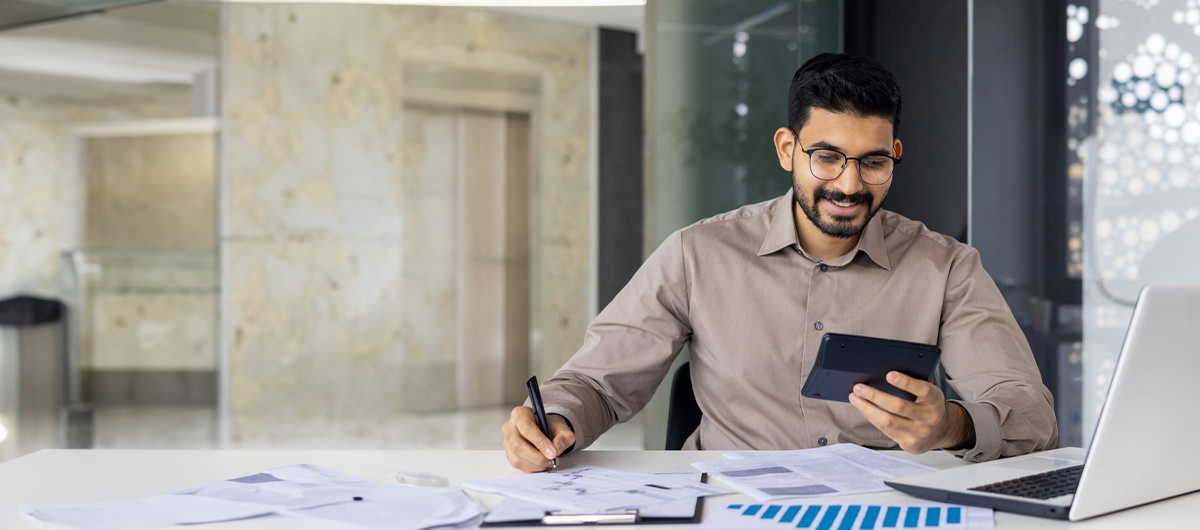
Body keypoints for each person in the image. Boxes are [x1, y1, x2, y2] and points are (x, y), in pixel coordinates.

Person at [502, 53, 1057, 472]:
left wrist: (950, 425)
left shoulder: (946, 267)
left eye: (873, 162)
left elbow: (1029, 414)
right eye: (827, 158)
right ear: (788, 149)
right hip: (729, 506)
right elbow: (598, 382)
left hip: (882, 506)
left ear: (895, 157)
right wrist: (556, 418)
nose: (849, 183)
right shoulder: (699, 253)